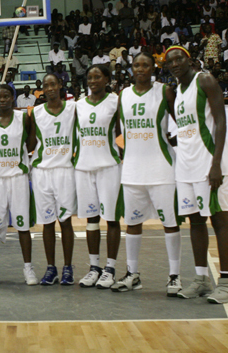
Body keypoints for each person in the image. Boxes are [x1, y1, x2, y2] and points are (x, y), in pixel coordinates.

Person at [165, 46, 228, 304]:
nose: (174, 63)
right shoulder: (175, 92)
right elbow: (188, 127)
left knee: (219, 220)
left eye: (178, 58)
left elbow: (221, 121)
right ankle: (201, 279)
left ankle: (227, 282)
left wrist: (216, 164)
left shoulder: (204, 80)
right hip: (185, 167)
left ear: (189, 60)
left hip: (209, 165)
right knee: (195, 222)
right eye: (169, 61)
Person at [111, 53, 183, 295]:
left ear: (153, 68)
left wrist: (171, 140)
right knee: (132, 223)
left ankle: (174, 276)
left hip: (162, 168)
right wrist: (126, 152)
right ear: (131, 68)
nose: (140, 69)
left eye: (145, 65)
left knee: (170, 224)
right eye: (136, 65)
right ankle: (133, 274)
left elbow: (181, 123)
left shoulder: (164, 92)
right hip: (132, 170)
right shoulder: (124, 95)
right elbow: (119, 130)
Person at [0, 84, 38, 285]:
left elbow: (31, 144)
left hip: (17, 176)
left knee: (22, 226)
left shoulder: (23, 118)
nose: (3, 99)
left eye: (6, 96)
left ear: (13, 98)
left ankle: (28, 269)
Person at [75, 65, 123, 289]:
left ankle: (110, 268)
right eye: (90, 77)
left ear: (107, 79)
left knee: (111, 218)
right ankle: (94, 268)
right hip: (84, 167)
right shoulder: (79, 104)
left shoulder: (116, 101)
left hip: (108, 166)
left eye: (97, 77)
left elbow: (125, 130)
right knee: (91, 220)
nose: (92, 81)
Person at [30, 74, 77, 286]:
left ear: (60, 86)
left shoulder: (74, 108)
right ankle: (51, 268)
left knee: (65, 221)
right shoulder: (36, 112)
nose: (49, 88)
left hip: (65, 170)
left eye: (52, 84)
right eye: (46, 85)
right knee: (47, 222)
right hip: (42, 172)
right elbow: (30, 142)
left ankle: (68, 267)